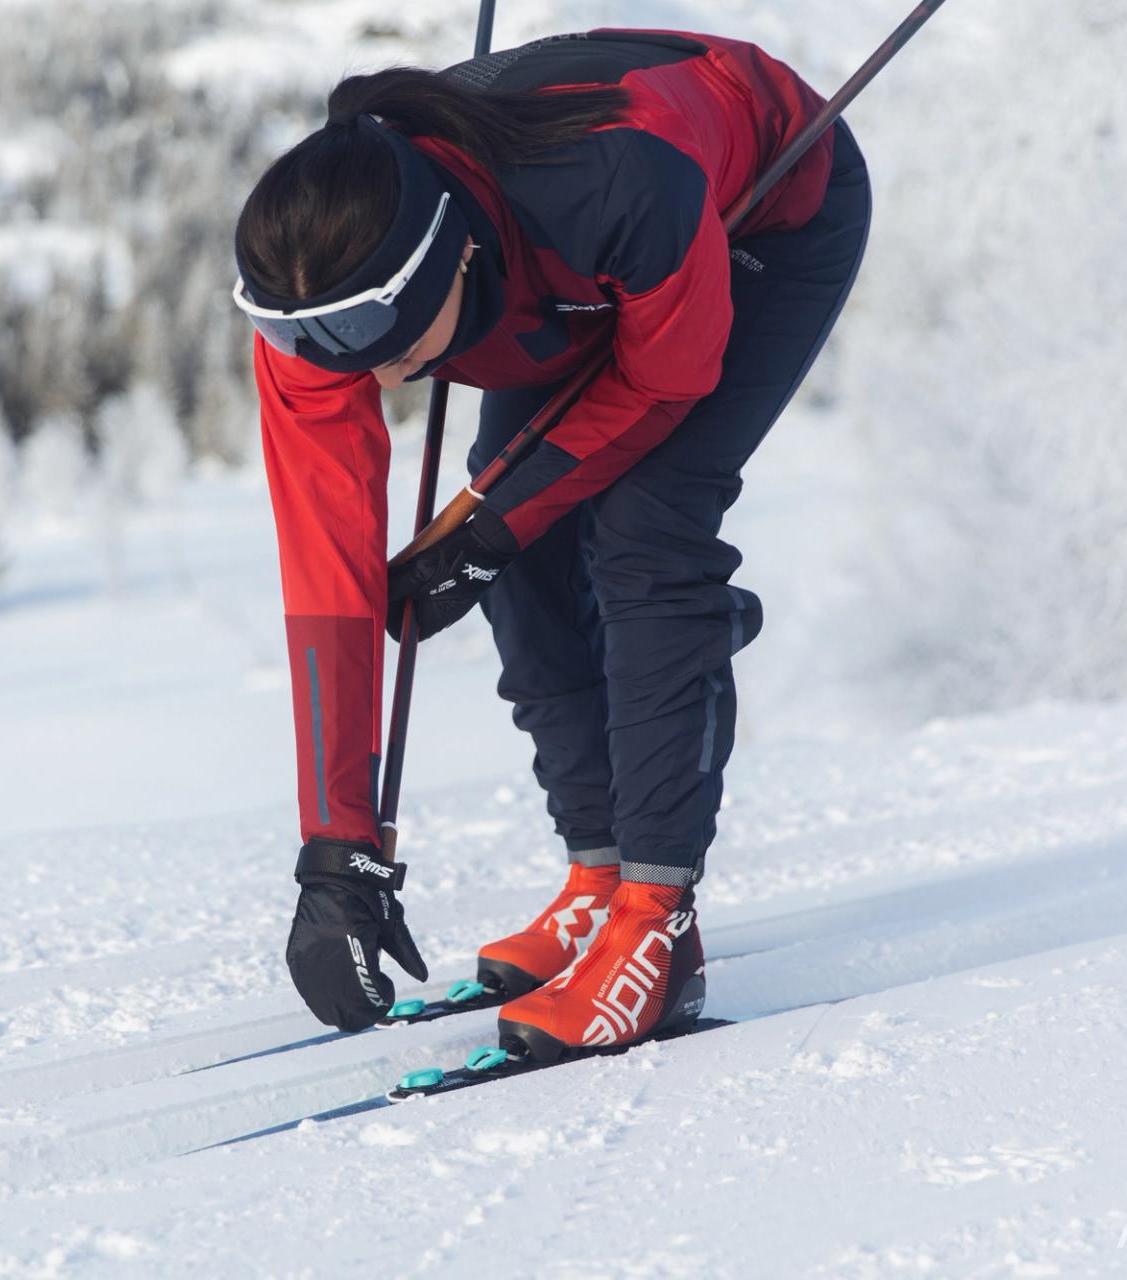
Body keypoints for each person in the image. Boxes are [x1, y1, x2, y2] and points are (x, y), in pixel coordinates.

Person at [232, 28, 870, 1061]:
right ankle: (599, 872)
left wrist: (492, 519)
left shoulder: (609, 185)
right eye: (318, 341)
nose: (366, 372)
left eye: (384, 334)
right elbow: (329, 585)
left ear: (453, 253)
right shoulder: (321, 305)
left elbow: (665, 377)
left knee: (643, 529)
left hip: (764, 213)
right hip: (557, 281)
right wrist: (337, 850)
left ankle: (657, 923)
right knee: (514, 540)